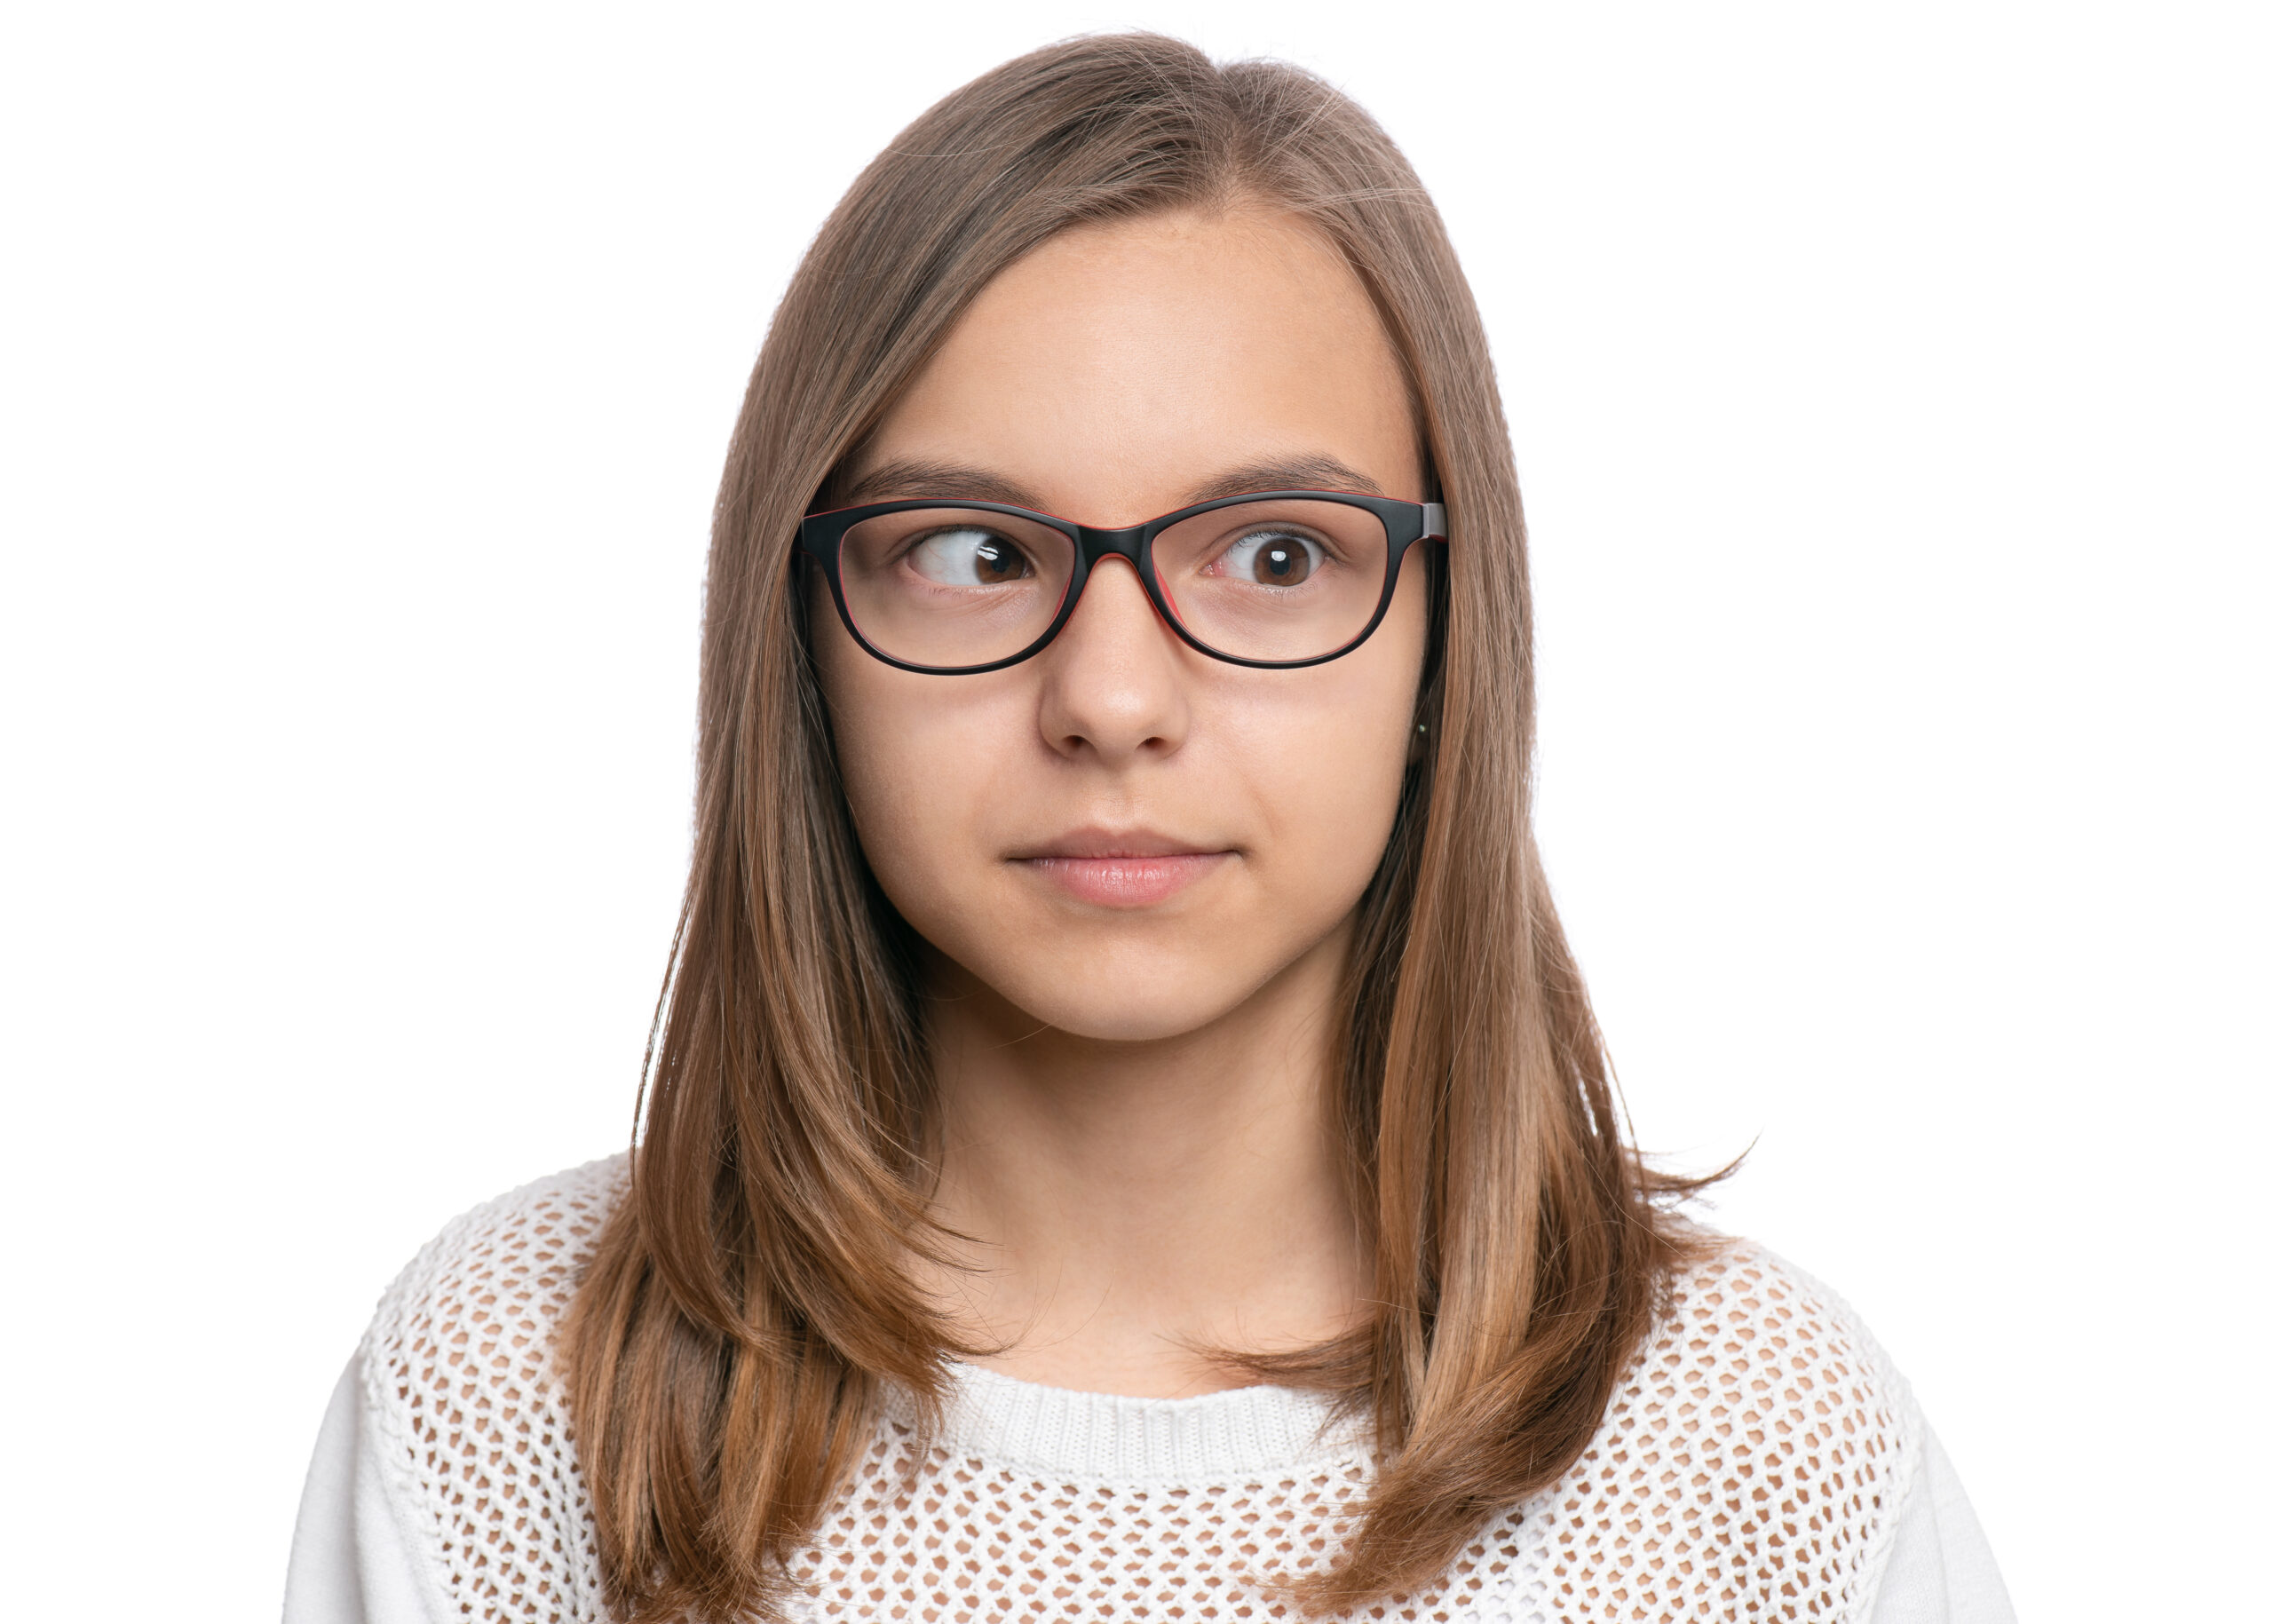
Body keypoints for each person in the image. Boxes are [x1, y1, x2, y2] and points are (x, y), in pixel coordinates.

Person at [284, 34, 2013, 1624]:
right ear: (801, 639)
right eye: (972, 552)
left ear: (1441, 636)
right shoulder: (508, 1397)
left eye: (1271, 555)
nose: (1111, 699)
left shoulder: (1759, 1450)